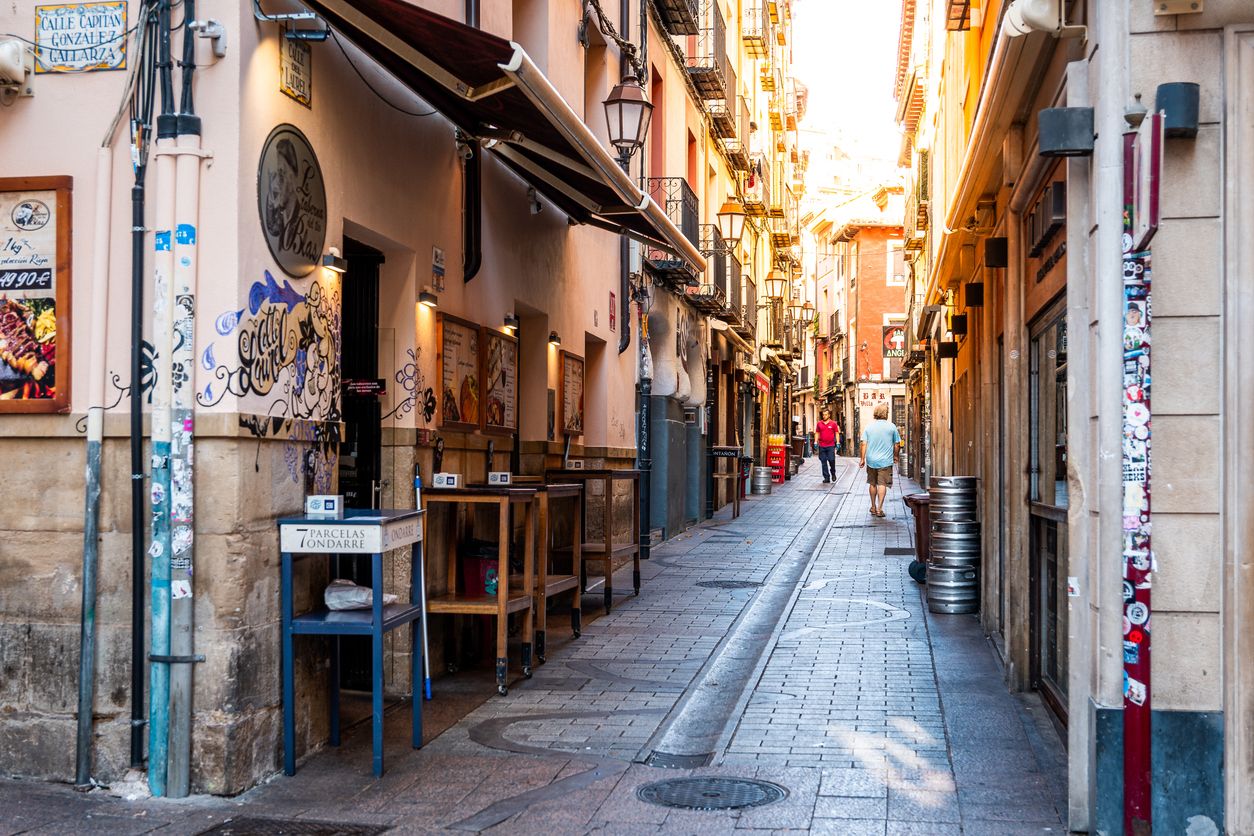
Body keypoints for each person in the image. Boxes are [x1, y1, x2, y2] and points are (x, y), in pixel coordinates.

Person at [859, 402, 902, 517]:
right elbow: (897, 444)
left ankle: (873, 507)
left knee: (872, 483)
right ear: (885, 413)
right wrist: (896, 456)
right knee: (882, 484)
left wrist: (862, 459)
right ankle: (879, 509)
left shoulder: (869, 426)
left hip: (871, 460)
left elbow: (863, 444)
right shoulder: (891, 426)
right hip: (885, 461)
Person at [815, 408, 840, 484]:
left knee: (831, 460)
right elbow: (817, 433)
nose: (824, 416)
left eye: (826, 414)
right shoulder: (819, 424)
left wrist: (838, 442)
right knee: (823, 462)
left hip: (830, 445)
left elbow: (836, 433)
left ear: (829, 415)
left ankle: (833, 473)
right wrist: (815, 442)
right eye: (823, 414)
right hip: (822, 445)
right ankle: (826, 477)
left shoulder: (833, 424)